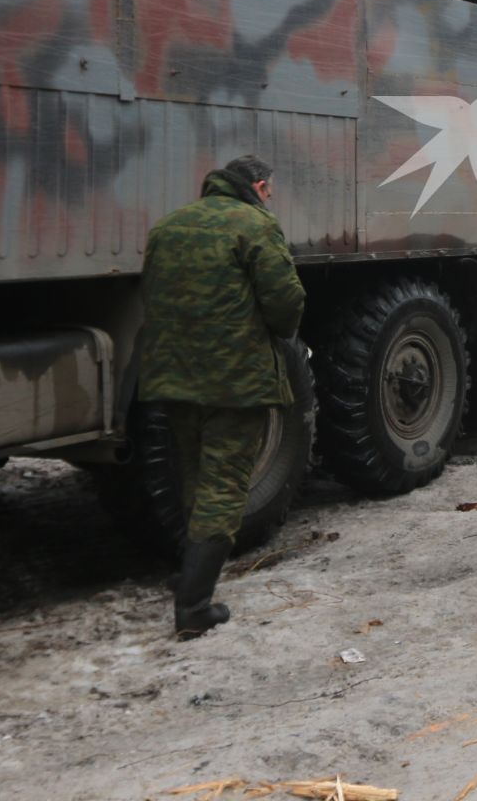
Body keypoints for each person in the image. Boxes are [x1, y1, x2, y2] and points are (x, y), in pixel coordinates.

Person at [137, 155, 306, 638]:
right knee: (226, 484)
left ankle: (190, 571)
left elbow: (151, 294)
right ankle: (194, 606)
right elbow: (285, 300)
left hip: (173, 377)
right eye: (269, 190)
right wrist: (282, 333)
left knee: (193, 473)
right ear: (257, 185)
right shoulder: (253, 225)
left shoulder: (169, 226)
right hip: (234, 380)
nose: (269, 197)